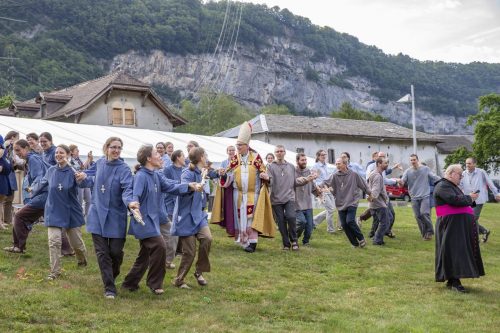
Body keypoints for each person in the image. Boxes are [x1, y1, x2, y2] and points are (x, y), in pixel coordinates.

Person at [122, 145, 197, 295]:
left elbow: (170, 186)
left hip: (153, 221)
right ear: (149, 158)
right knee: (160, 246)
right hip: (143, 222)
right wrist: (133, 205)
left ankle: (129, 283)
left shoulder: (155, 175)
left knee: (144, 255)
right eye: (157, 154)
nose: (160, 156)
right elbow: (134, 194)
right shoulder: (141, 176)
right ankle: (155, 284)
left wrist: (189, 186)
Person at [76, 137, 138, 299]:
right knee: (103, 253)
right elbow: (89, 180)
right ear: (106, 148)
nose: (116, 150)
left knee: (115, 253)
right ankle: (109, 288)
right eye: (113, 147)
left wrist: (130, 202)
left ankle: (111, 274)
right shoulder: (100, 163)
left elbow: (127, 189)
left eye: (119, 147)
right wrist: (82, 178)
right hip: (97, 214)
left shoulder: (124, 168)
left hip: (116, 216)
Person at [211, 121, 275, 252]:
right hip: (238, 194)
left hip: (254, 193)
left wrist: (265, 176)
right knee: (241, 217)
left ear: (247, 145)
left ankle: (252, 243)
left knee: (251, 218)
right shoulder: (235, 159)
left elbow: (263, 172)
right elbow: (229, 176)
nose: (238, 147)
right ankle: (243, 240)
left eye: (240, 145)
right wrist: (223, 175)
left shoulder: (256, 157)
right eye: (237, 145)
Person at [31, 144, 88, 280]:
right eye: (57, 153)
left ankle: (82, 260)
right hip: (53, 209)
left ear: (68, 155)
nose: (58, 155)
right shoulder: (51, 170)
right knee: (54, 241)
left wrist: (83, 177)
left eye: (61, 153)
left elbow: (82, 184)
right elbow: (42, 183)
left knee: (77, 244)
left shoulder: (74, 171)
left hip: (70, 210)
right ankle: (54, 271)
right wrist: (32, 189)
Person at [434, 164, 485, 293]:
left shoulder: (451, 186)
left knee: (457, 251)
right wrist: (470, 198)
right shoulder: (442, 185)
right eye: (459, 174)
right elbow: (454, 200)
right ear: (451, 173)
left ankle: (452, 279)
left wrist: (469, 199)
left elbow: (459, 201)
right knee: (454, 251)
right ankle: (455, 281)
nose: (461, 177)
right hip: (451, 225)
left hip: (456, 225)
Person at [172, 147, 212, 289]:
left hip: (199, 215)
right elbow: (183, 188)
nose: (207, 157)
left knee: (207, 239)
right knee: (189, 252)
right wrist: (193, 187)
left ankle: (199, 271)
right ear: (201, 157)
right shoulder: (187, 173)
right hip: (186, 217)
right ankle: (179, 279)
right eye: (205, 155)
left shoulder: (202, 171)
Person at [3, 139, 49, 253]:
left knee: (18, 216)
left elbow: (39, 177)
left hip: (42, 196)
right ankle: (67, 249)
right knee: (25, 219)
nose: (17, 153)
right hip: (43, 196)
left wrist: (31, 190)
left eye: (18, 150)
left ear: (26, 148)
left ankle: (19, 246)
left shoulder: (33, 159)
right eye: (15, 151)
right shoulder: (32, 158)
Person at [267, 145, 315, 250]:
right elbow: (270, 182)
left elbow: (295, 182)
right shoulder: (270, 167)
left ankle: (294, 240)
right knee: (281, 222)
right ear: (275, 153)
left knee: (291, 217)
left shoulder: (291, 166)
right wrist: (267, 178)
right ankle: (286, 244)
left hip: (289, 198)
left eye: (281, 151)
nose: (279, 153)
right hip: (276, 199)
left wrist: (306, 179)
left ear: (284, 153)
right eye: (277, 151)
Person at [322, 157, 371, 247]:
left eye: (339, 163)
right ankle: (355, 244)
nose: (337, 166)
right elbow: (325, 182)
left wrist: (371, 194)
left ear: (345, 164)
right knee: (344, 224)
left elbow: (364, 186)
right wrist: (317, 187)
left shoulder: (354, 175)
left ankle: (361, 238)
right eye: (336, 164)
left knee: (350, 221)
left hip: (352, 201)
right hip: (340, 203)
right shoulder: (335, 175)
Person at [399, 154, 440, 240]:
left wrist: (444, 180)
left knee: (424, 213)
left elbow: (434, 177)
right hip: (414, 197)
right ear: (410, 161)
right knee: (418, 216)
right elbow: (402, 183)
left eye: (414, 160)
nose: (413, 161)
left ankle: (429, 232)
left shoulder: (425, 169)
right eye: (411, 160)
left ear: (418, 160)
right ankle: (424, 234)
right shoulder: (407, 171)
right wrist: (400, 182)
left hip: (425, 196)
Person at [460, 157, 500, 243]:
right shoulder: (463, 173)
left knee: (473, 218)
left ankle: (475, 239)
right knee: (470, 218)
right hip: (468, 199)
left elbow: (489, 183)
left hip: (478, 200)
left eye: (469, 163)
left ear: (474, 164)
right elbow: (461, 186)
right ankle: (485, 231)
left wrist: (496, 194)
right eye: (466, 163)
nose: (467, 165)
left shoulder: (481, 172)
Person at [162, 149, 185, 269]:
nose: (185, 158)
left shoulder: (184, 170)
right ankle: (166, 260)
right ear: (177, 158)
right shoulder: (168, 169)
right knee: (171, 233)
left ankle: (169, 258)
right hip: (170, 204)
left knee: (174, 233)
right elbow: (166, 185)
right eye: (183, 156)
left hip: (180, 203)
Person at [295, 153, 319, 246]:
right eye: (302, 160)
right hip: (296, 203)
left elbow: (312, 187)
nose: (304, 162)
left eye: (305, 160)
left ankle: (306, 242)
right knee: (302, 222)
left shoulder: (309, 171)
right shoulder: (293, 172)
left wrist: (319, 192)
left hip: (308, 203)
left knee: (309, 226)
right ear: (297, 161)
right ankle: (294, 238)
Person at [312, 149, 337, 233]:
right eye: (322, 155)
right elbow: (313, 179)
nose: (324, 156)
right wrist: (317, 190)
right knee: (330, 209)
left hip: (327, 189)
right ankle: (331, 230)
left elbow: (327, 179)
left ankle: (313, 222)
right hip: (321, 190)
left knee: (332, 209)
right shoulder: (316, 166)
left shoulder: (326, 165)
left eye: (325, 155)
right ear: (318, 156)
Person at [367, 158, 391, 245]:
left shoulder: (374, 173)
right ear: (379, 164)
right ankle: (377, 240)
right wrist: (372, 198)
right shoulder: (377, 175)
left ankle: (375, 237)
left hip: (374, 203)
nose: (387, 164)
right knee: (385, 223)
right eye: (385, 163)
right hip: (379, 204)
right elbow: (375, 190)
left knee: (380, 221)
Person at [0, 131, 19, 230]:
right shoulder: (6, 146)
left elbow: (9, 163)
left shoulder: (10, 148)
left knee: (7, 199)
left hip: (7, 175)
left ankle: (5, 220)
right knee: (5, 200)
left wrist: (12, 165)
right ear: (12, 137)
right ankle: (3, 220)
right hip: (6, 176)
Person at [69, 144, 92, 217]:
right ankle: (79, 215)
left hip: (85, 181)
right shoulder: (71, 161)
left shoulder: (79, 159)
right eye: (76, 150)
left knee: (89, 200)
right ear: (72, 152)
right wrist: (88, 159)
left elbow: (85, 168)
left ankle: (87, 216)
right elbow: (81, 168)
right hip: (78, 183)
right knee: (80, 200)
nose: (78, 151)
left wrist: (89, 160)